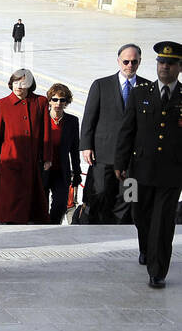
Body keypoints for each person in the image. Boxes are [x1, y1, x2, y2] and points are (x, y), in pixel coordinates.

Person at [115, 41, 182, 288]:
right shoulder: (140, 93)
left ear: (179, 67)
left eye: (171, 63)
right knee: (139, 214)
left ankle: (157, 270)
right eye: (161, 62)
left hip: (172, 173)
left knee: (163, 221)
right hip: (139, 170)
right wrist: (120, 163)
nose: (165, 67)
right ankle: (146, 248)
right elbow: (127, 130)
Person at [81, 44, 151, 225]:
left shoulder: (148, 88)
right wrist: (86, 145)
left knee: (128, 198)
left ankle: (121, 230)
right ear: (118, 61)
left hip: (133, 159)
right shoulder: (101, 85)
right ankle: (101, 227)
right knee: (101, 192)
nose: (130, 65)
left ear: (140, 62)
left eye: (134, 62)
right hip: (104, 154)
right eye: (126, 61)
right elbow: (89, 117)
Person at [0, 68, 52, 223]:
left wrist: (47, 157)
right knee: (11, 203)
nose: (19, 87)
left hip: (33, 162)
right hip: (10, 162)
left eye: (23, 83)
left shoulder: (40, 102)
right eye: (16, 82)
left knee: (35, 204)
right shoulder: (2, 104)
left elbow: (46, 133)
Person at [44, 84, 82, 224]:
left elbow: (74, 149)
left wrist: (77, 173)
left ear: (67, 102)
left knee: (59, 205)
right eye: (54, 99)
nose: (58, 103)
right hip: (43, 170)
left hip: (61, 171)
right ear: (49, 101)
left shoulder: (72, 121)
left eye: (62, 100)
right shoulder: (41, 119)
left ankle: (53, 227)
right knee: (41, 206)